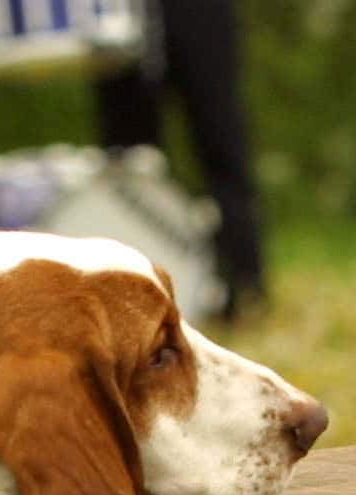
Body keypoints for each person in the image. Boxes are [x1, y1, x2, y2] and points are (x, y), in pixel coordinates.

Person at [95, 0, 268, 321]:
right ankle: (125, 289)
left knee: (220, 140)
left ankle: (244, 287)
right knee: (127, 162)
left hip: (197, 11)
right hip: (119, 13)